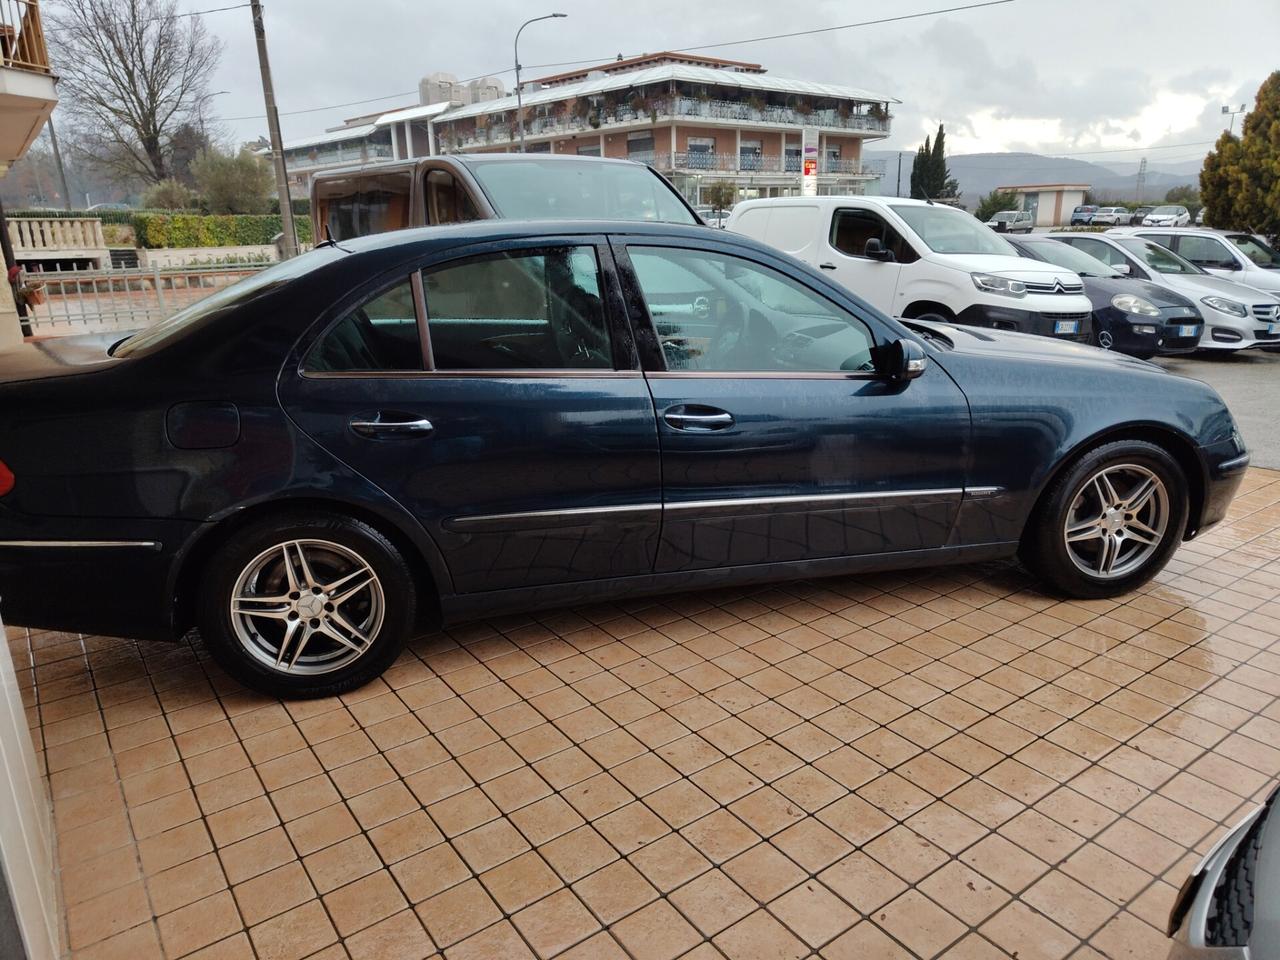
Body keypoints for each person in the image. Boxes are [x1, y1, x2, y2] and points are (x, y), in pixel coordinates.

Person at [7, 265, 37, 337]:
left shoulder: (10, 274)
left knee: (19, 314)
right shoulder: (21, 272)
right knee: (23, 313)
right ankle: (27, 332)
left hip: (15, 296)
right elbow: (23, 284)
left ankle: (23, 330)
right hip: (21, 296)